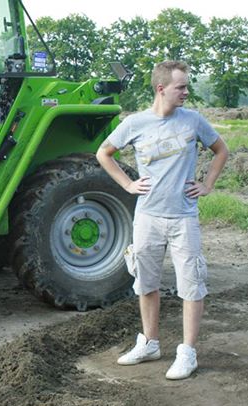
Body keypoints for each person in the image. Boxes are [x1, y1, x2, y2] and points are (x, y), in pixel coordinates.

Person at [96, 60, 228, 380]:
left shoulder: (193, 121)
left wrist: (207, 184)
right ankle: (150, 343)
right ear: (161, 89)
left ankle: (187, 353)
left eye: (186, 86)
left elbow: (221, 150)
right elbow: (104, 153)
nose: (186, 92)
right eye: (181, 87)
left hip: (183, 217)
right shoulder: (135, 123)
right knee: (146, 281)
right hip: (148, 217)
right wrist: (128, 184)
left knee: (191, 285)